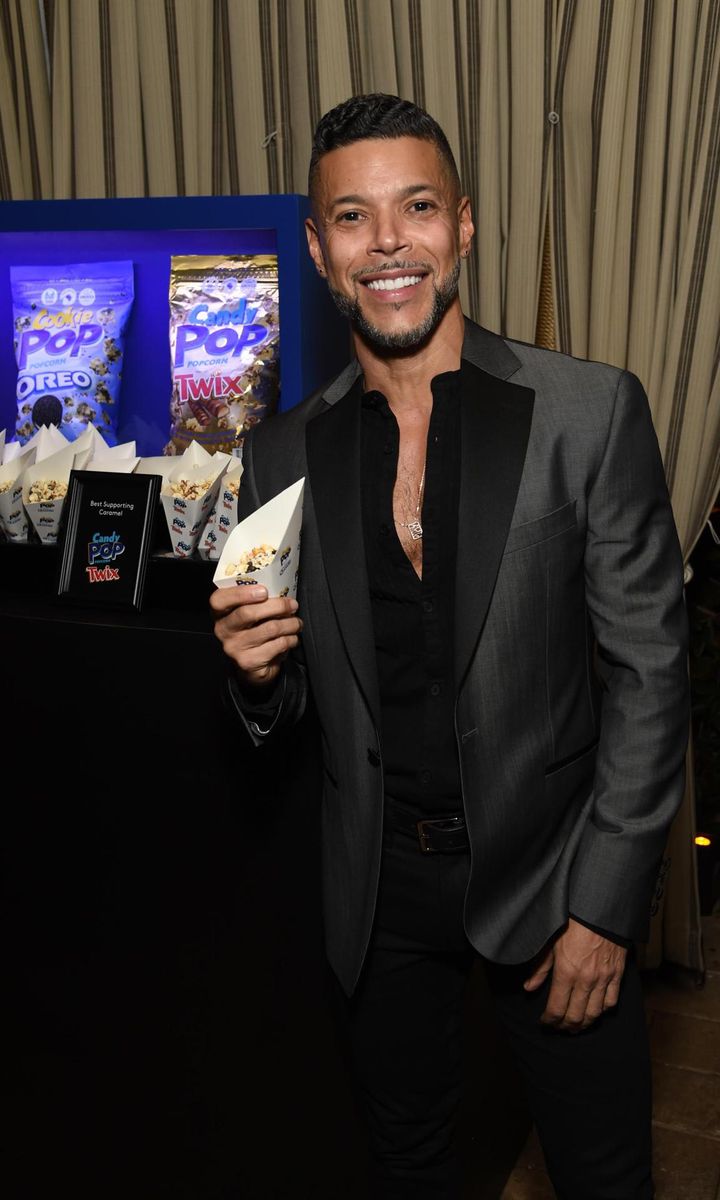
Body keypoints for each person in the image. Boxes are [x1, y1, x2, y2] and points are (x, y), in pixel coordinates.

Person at [210, 94, 689, 1198]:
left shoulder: (588, 412)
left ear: (463, 226)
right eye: (352, 217)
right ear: (320, 250)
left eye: (416, 207)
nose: (388, 242)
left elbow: (650, 678)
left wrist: (606, 906)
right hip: (380, 898)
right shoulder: (282, 453)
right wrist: (256, 676)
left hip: (555, 882)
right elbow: (288, 714)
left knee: (603, 1175)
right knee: (412, 1164)